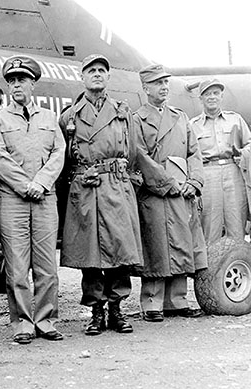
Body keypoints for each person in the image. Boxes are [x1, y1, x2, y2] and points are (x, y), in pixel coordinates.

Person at [59, 54, 142, 336]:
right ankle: (96, 311)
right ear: (82, 77)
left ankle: (117, 309)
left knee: (120, 248)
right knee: (89, 252)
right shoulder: (69, 116)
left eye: (101, 71)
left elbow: (132, 152)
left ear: (108, 77)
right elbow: (64, 158)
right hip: (85, 187)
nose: (96, 74)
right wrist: (84, 174)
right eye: (91, 70)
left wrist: (116, 173)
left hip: (116, 184)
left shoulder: (122, 111)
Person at [0, 55, 65, 344]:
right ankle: (22, 323)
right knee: (17, 267)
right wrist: (25, 185)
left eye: (22, 80)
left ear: (33, 83)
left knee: (46, 266)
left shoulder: (48, 118)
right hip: (14, 200)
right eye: (12, 81)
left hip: (44, 199)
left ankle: (46, 320)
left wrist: (41, 183)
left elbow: (59, 153)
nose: (16, 85)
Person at [133, 64, 206, 322]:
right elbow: (139, 156)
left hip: (183, 191)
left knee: (182, 244)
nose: (164, 87)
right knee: (157, 246)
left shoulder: (181, 116)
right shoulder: (137, 119)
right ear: (145, 89)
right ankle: (152, 303)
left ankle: (178, 300)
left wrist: (194, 181)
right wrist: (167, 183)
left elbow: (194, 153)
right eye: (158, 83)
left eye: (166, 83)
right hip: (155, 192)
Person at [190, 78, 251, 244]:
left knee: (237, 220)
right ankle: (210, 267)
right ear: (200, 98)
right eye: (207, 94)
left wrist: (243, 154)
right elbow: (188, 154)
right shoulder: (192, 125)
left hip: (233, 172)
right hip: (207, 174)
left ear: (221, 96)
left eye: (216, 93)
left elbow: (249, 143)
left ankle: (238, 264)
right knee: (210, 224)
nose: (212, 97)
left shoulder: (235, 119)